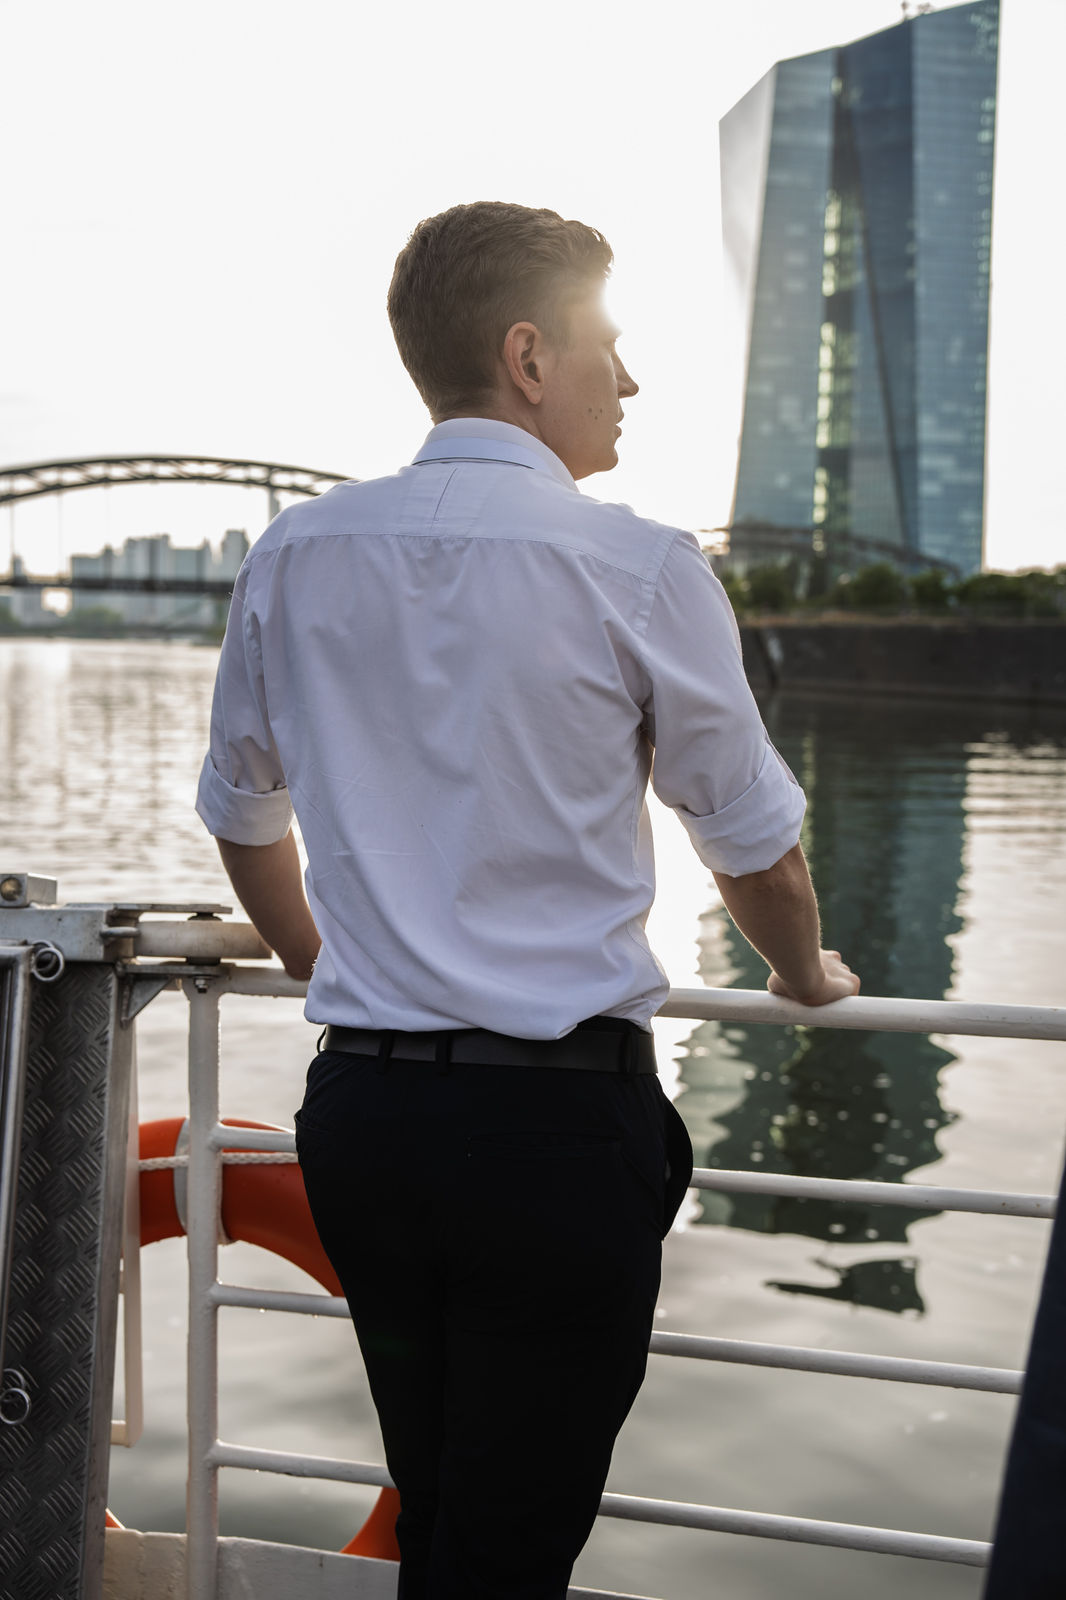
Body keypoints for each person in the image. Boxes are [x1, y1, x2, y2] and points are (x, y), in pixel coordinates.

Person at [195, 200, 859, 1599]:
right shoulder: (639, 565)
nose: (630, 379)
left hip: (365, 1117)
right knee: (513, 1543)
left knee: (440, 1500)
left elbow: (243, 820)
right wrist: (804, 976)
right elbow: (751, 846)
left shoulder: (297, 554)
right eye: (608, 345)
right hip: (552, 1133)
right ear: (526, 355)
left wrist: (336, 972)